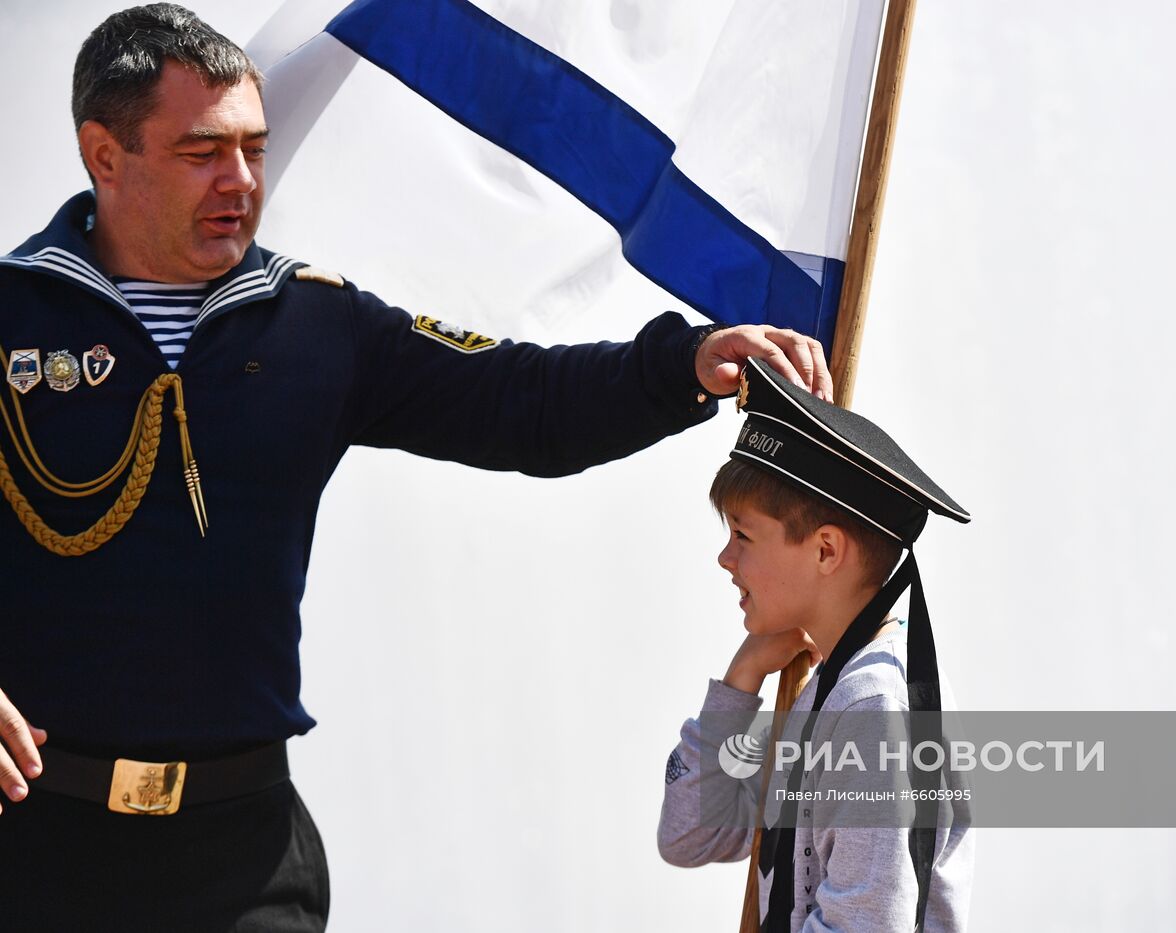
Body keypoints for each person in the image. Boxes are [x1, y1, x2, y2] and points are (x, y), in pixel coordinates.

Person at [0, 4, 833, 929]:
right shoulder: (12, 320)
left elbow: (522, 402)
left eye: (254, 148)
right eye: (202, 152)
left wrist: (685, 363)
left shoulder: (316, 325)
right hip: (34, 851)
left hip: (242, 862)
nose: (240, 181)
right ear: (104, 155)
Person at [657, 357, 975, 932]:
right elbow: (689, 834)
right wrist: (742, 679)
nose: (725, 559)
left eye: (743, 535)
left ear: (826, 551)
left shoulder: (873, 708)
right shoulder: (831, 688)